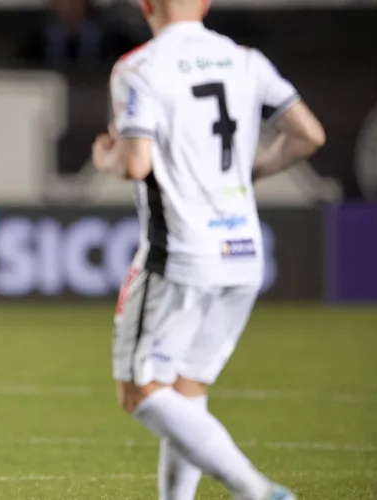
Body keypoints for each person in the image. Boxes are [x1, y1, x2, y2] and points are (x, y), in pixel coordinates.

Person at [91, 0, 325, 499]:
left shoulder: (139, 67)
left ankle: (255, 490)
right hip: (243, 250)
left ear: (146, 4)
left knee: (140, 392)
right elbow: (308, 135)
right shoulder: (246, 60)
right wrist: (250, 172)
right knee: (186, 390)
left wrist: (106, 156)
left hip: (180, 250)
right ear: (206, 2)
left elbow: (136, 163)